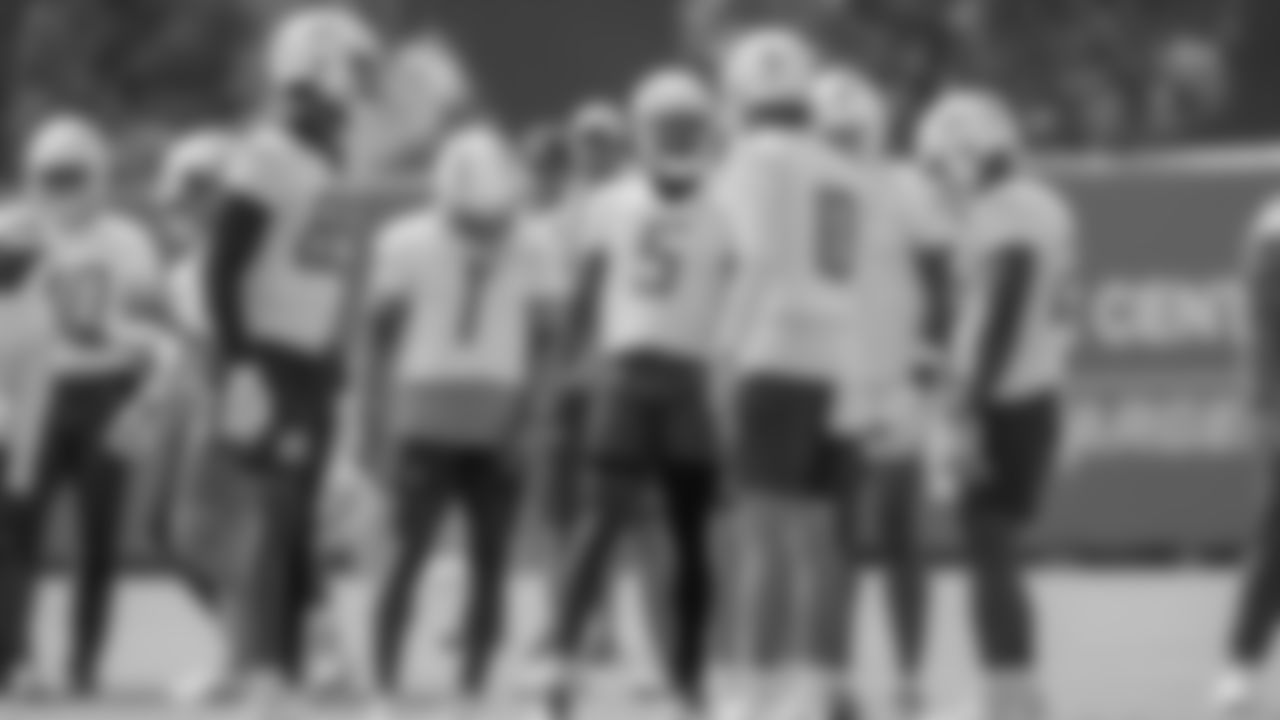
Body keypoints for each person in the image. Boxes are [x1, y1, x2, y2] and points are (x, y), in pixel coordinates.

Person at [535, 66, 735, 720]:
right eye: (672, 126)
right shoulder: (722, 204)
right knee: (633, 527)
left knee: (645, 529)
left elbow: (583, 299)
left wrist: (562, 371)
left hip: (643, 376)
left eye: (682, 126)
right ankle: (588, 666)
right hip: (661, 378)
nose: (677, 136)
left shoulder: (618, 201)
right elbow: (585, 295)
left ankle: (586, 667)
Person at [201, 6, 383, 713]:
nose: (359, 87)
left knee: (300, 515)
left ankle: (306, 663)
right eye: (352, 71)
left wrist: (333, 357)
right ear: (319, 69)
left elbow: (323, 275)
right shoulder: (267, 154)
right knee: (276, 515)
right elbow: (222, 267)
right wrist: (241, 364)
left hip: (307, 359)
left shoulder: (333, 159)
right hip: (267, 355)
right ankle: (266, 673)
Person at [355, 123, 564, 716]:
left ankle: (472, 690)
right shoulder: (404, 241)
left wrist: (531, 421)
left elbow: (547, 345)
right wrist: (371, 422)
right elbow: (376, 341)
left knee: (492, 559)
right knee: (406, 553)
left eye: (492, 217)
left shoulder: (535, 242)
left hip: (500, 417)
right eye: (472, 218)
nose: (484, 229)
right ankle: (384, 687)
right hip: (424, 415)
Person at [710, 27, 883, 720]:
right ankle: (812, 687)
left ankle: (754, 693)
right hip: (833, 356)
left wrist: (721, 353)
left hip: (773, 350)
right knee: (815, 540)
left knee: (762, 536)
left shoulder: (755, 156)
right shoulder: (840, 163)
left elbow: (755, 258)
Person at [916, 88, 1077, 720]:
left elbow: (1003, 311)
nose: (939, 178)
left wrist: (966, 404)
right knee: (998, 551)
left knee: (989, 554)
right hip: (1037, 391)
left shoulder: (1002, 212)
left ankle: (1002, 695)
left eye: (942, 163)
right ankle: (1019, 691)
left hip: (1001, 399)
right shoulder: (1044, 203)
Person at [0, 114, 166, 697]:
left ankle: (84, 664)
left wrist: (142, 399)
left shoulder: (127, 241)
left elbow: (147, 327)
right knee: (16, 533)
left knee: (99, 535)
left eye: (74, 174)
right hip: (34, 393)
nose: (64, 187)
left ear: (98, 174)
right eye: (54, 175)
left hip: (106, 391)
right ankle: (15, 660)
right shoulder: (14, 231)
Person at [811, 64, 948, 716]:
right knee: (833, 542)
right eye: (833, 132)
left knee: (900, 537)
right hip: (825, 384)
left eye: (852, 130)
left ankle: (910, 679)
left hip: (893, 382)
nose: (843, 142)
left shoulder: (905, 189)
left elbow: (943, 286)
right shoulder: (801, 188)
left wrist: (923, 371)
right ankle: (834, 681)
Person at [1216, 173, 1280, 718]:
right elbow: (1265, 332)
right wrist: (1266, 406)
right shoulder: (1274, 231)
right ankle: (1241, 666)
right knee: (1277, 537)